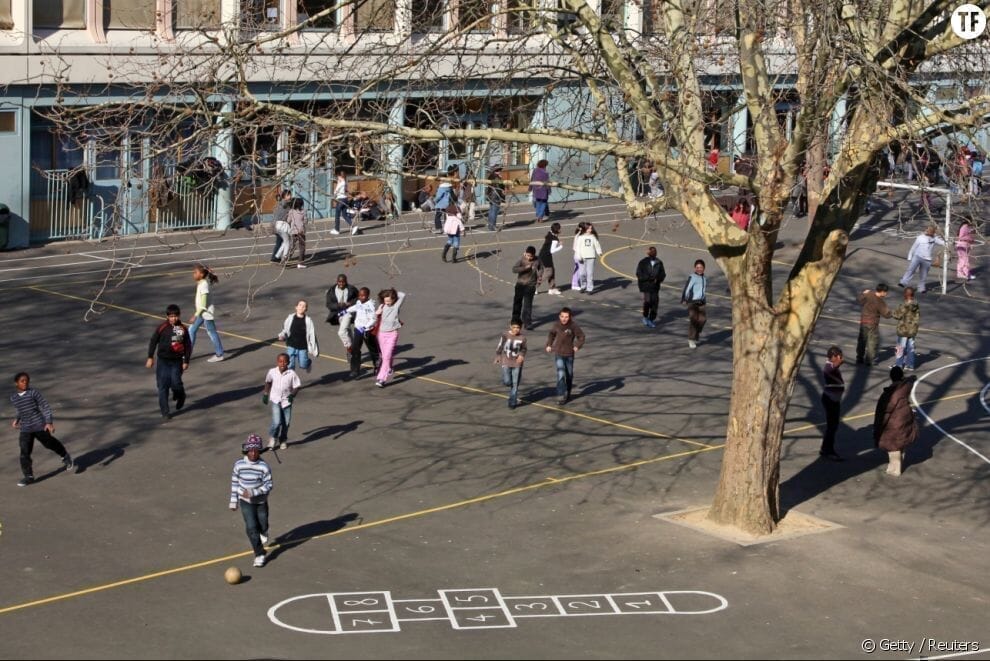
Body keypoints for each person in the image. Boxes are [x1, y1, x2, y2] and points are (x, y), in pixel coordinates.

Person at [10, 372, 73, 487]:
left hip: (39, 424)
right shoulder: (14, 398)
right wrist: (17, 419)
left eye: (27, 381)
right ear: (16, 383)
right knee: (24, 452)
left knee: (49, 443)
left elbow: (45, 406)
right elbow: (20, 410)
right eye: (22, 381)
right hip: (25, 428)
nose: (25, 383)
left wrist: (49, 422)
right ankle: (28, 476)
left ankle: (65, 455)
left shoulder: (33, 393)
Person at [229, 434, 273, 568]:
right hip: (245, 501)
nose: (253, 453)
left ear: (259, 451)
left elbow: (269, 485)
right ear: (246, 450)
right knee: (251, 527)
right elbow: (235, 482)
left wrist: (254, 492)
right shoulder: (239, 465)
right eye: (250, 450)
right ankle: (259, 554)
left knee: (263, 524)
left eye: (256, 450)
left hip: (260, 502)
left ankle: (264, 532)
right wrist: (233, 500)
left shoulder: (263, 467)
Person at [146, 304, 192, 420]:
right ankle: (165, 412)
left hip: (176, 361)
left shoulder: (182, 329)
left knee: (176, 383)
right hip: (163, 361)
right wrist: (150, 357)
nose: (173, 318)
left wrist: (186, 360)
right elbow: (153, 341)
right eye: (171, 316)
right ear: (167, 317)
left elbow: (187, 345)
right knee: (162, 386)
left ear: (179, 316)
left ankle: (181, 395)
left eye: (175, 316)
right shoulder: (162, 328)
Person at [873, 366, 918, 476]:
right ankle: (897, 466)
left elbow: (884, 410)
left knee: (893, 446)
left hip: (893, 423)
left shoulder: (889, 394)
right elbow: (912, 379)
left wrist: (878, 425)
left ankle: (895, 469)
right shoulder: (905, 388)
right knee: (900, 444)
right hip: (904, 418)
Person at [545, 307, 585, 405]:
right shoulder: (556, 325)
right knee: (561, 374)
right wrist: (549, 345)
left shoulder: (573, 326)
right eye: (562, 316)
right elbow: (551, 334)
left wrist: (577, 346)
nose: (564, 319)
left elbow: (581, 337)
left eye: (566, 317)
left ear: (570, 317)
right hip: (558, 353)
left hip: (569, 354)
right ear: (559, 316)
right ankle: (561, 395)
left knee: (569, 375)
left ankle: (568, 391)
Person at [262, 353, 300, 451]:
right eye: (280, 361)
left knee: (286, 423)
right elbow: (268, 382)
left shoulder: (291, 374)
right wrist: (266, 394)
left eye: (284, 361)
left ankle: (283, 440)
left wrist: (292, 395)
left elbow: (297, 386)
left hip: (287, 402)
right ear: (277, 362)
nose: (282, 363)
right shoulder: (272, 372)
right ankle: (273, 438)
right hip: (275, 400)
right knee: (276, 422)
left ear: (288, 362)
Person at [188, 263, 225, 363]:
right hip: (202, 313)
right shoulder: (202, 283)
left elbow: (203, 304)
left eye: (195, 272)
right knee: (191, 330)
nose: (193, 274)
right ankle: (187, 354)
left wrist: (195, 315)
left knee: (211, 333)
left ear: (201, 274)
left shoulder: (204, 285)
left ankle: (219, 354)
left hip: (205, 314)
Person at [898, 225, 945, 293]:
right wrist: (910, 257)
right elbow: (913, 247)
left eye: (931, 231)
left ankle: (921, 288)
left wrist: (951, 243)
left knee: (923, 275)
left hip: (927, 260)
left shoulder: (934, 238)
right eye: (928, 231)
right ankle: (903, 282)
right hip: (917, 257)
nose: (928, 232)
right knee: (911, 270)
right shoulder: (920, 238)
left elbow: (943, 243)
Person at [375, 288, 406, 388]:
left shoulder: (396, 306)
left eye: (389, 300)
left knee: (386, 356)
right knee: (385, 356)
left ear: (393, 299)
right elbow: (374, 317)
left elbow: (403, 294)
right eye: (385, 300)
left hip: (392, 334)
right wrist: (377, 312)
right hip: (382, 334)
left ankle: (381, 379)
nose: (387, 302)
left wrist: (392, 292)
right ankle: (389, 367)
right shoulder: (382, 306)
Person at [819, 345, 846, 462]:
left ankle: (826, 448)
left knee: (833, 426)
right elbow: (832, 369)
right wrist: (839, 362)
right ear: (834, 357)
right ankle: (827, 449)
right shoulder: (828, 367)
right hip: (830, 399)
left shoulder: (832, 366)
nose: (840, 357)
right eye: (838, 356)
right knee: (832, 426)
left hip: (834, 399)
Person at [855, 283, 892, 366]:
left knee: (862, 340)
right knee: (872, 341)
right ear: (882, 292)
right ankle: (869, 360)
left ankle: (859, 358)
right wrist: (892, 313)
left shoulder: (869, 294)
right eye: (885, 292)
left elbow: (859, 299)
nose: (886, 294)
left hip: (864, 321)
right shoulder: (880, 301)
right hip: (872, 323)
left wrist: (863, 293)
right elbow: (887, 314)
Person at [278, 300, 319, 374]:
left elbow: (312, 335)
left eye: (304, 306)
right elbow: (285, 329)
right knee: (290, 366)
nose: (301, 307)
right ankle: (291, 381)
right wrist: (282, 335)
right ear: (296, 307)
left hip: (302, 347)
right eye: (300, 305)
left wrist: (314, 348)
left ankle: (308, 363)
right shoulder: (290, 318)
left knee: (303, 365)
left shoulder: (308, 321)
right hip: (291, 345)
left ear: (306, 309)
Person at [494, 318, 527, 409]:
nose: (516, 329)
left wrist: (521, 355)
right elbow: (500, 346)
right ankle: (507, 382)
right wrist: (498, 356)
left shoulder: (522, 338)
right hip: (506, 361)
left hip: (517, 363)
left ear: (521, 328)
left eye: (518, 327)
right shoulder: (505, 335)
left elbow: (524, 349)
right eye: (514, 327)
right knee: (507, 381)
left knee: (515, 384)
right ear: (510, 326)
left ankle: (512, 402)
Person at [349, 287, 381, 379]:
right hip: (358, 328)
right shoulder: (359, 302)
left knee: (372, 348)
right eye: (359, 295)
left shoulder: (370, 305)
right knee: (355, 349)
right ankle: (355, 371)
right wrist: (346, 310)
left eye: (363, 295)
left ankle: (377, 366)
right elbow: (356, 307)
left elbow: (373, 319)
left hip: (368, 330)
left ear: (367, 296)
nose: (361, 297)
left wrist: (366, 327)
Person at [511, 246, 543, 330]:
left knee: (527, 305)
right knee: (517, 303)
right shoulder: (521, 260)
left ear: (534, 255)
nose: (529, 258)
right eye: (528, 255)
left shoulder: (537, 260)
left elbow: (541, 269)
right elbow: (514, 269)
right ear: (525, 253)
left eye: (531, 256)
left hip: (531, 285)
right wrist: (524, 268)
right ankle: (515, 319)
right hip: (520, 284)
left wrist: (539, 277)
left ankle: (527, 322)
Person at [326, 274, 359, 354]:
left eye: (343, 282)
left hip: (348, 312)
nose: (341, 284)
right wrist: (338, 305)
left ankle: (350, 347)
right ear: (337, 281)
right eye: (339, 282)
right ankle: (353, 349)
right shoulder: (331, 291)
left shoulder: (351, 289)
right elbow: (329, 304)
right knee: (347, 330)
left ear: (346, 281)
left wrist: (350, 303)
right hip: (339, 313)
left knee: (341, 332)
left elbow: (358, 298)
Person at [680, 259, 708, 349]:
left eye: (701, 267)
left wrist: (704, 299)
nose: (699, 269)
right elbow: (687, 288)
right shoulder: (692, 277)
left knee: (703, 319)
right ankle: (691, 339)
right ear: (695, 268)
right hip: (692, 302)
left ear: (704, 268)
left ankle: (696, 333)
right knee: (694, 319)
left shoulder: (704, 278)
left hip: (701, 302)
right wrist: (684, 298)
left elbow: (703, 290)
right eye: (697, 267)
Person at [636, 246, 666, 328]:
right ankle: (645, 316)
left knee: (655, 302)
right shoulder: (643, 262)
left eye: (654, 251)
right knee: (648, 301)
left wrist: (658, 279)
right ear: (648, 253)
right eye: (651, 251)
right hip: (646, 285)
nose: (653, 253)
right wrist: (647, 278)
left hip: (655, 286)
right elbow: (639, 274)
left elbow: (663, 274)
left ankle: (651, 319)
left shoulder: (659, 263)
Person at [891, 287, 921, 371]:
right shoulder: (916, 305)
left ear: (906, 294)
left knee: (900, 347)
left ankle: (899, 364)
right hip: (912, 329)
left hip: (903, 330)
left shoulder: (904, 305)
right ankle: (910, 365)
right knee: (911, 347)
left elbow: (898, 315)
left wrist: (892, 312)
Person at [575, 223, 603, 293]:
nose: (590, 230)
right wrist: (579, 256)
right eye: (589, 228)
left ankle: (590, 288)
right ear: (585, 229)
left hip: (591, 257)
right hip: (582, 258)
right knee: (582, 274)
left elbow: (597, 245)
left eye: (591, 228)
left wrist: (599, 252)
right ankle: (583, 286)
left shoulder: (593, 237)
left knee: (590, 273)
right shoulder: (580, 237)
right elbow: (577, 248)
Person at [538, 222, 563, 295]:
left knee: (552, 270)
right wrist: (560, 246)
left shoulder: (550, 234)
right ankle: (534, 286)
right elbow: (552, 250)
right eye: (560, 228)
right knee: (549, 272)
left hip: (543, 254)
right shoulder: (554, 239)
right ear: (557, 230)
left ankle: (552, 288)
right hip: (546, 256)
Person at [432, 166, 457, 233]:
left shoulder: (441, 187)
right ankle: (447, 228)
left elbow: (439, 196)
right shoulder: (449, 186)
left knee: (437, 217)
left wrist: (434, 201)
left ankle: (439, 229)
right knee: (447, 216)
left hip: (440, 204)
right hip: (447, 203)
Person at [270, 189, 292, 261]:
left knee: (280, 241)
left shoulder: (278, 204)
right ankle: (276, 257)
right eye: (288, 195)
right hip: (279, 225)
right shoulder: (284, 203)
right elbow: (285, 204)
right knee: (282, 241)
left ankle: (275, 257)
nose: (290, 196)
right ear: (284, 197)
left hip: (275, 224)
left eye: (290, 195)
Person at [287, 197, 308, 269]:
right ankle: (300, 262)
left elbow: (288, 220)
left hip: (293, 231)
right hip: (301, 231)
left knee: (292, 246)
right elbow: (305, 221)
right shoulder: (304, 211)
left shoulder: (291, 211)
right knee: (302, 247)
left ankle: (285, 260)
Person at [529, 159, 551, 223]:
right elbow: (547, 183)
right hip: (543, 190)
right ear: (544, 165)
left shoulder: (535, 171)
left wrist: (530, 188)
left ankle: (538, 215)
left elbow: (532, 179)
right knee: (543, 203)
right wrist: (549, 191)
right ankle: (540, 217)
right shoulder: (545, 173)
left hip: (536, 189)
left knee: (538, 203)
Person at [485, 166, 505, 231]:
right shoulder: (497, 178)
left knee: (491, 211)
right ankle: (493, 226)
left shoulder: (491, 176)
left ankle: (490, 225)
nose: (500, 172)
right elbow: (500, 187)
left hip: (491, 195)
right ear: (495, 171)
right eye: (498, 170)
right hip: (496, 196)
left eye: (500, 170)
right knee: (494, 211)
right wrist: (501, 180)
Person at [332, 171, 351, 235]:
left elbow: (335, 191)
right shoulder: (345, 182)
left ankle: (337, 229)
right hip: (345, 199)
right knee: (344, 215)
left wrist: (333, 197)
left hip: (341, 200)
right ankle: (353, 226)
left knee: (337, 215)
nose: (337, 178)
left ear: (340, 176)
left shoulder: (341, 183)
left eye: (338, 177)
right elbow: (346, 190)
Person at [570, 222, 587, 291]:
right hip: (579, 255)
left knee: (578, 270)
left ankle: (575, 283)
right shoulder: (579, 236)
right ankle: (575, 284)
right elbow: (574, 247)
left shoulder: (579, 235)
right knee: (579, 271)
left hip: (578, 255)